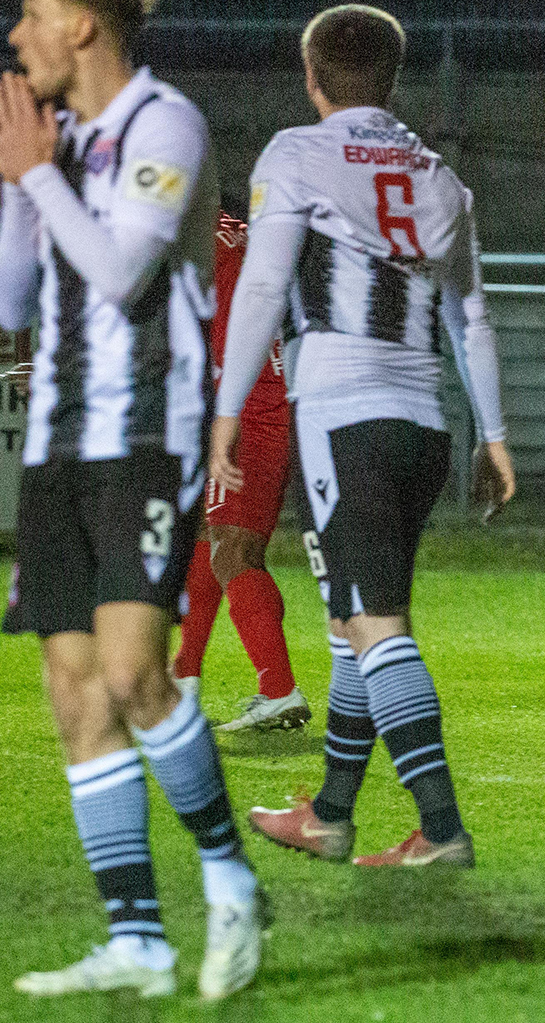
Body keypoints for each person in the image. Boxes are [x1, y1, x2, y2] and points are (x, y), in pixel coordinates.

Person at [0, 0, 266, 1000]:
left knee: (138, 673)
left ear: (82, 25)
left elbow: (120, 272)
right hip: (56, 441)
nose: (15, 37)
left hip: (147, 432)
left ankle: (232, 884)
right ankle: (138, 937)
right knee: (74, 691)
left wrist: (41, 178)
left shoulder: (164, 123)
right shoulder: (64, 146)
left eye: (30, 14)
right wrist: (23, 185)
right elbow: (9, 300)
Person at [217, 4, 515, 867]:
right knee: (353, 615)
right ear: (392, 78)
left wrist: (229, 411)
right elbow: (472, 317)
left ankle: (442, 827)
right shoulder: (438, 175)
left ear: (312, 76)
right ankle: (330, 813)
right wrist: (495, 435)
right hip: (423, 424)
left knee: (376, 624)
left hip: (342, 414)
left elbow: (266, 286)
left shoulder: (298, 152)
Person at [171, 208, 309, 731]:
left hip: (246, 411)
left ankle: (279, 688)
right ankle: (185, 676)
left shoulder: (194, 242)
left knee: (234, 550)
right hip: (267, 402)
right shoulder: (243, 232)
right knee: (211, 540)